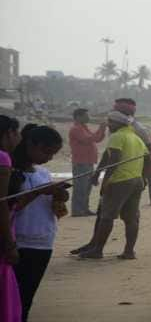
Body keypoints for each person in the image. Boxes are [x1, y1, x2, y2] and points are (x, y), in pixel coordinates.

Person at [12, 125, 70, 322]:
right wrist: (38, 191)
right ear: (30, 144)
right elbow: (12, 207)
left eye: (53, 154)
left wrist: (60, 194)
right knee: (15, 297)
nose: (49, 157)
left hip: (43, 241)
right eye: (46, 152)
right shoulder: (12, 173)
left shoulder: (43, 172)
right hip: (19, 241)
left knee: (27, 295)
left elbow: (55, 208)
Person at [79, 111, 148, 259]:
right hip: (136, 180)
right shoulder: (136, 138)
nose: (108, 125)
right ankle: (129, 251)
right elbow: (148, 160)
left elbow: (114, 159)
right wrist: (144, 177)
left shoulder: (116, 136)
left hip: (120, 181)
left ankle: (97, 250)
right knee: (131, 218)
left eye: (110, 122)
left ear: (117, 123)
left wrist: (105, 180)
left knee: (107, 216)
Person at [0, 115, 22, 322]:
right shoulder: (3, 158)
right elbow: (2, 204)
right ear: (9, 133)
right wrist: (9, 243)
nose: (19, 138)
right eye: (17, 133)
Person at [68, 108, 106, 217]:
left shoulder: (83, 128)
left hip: (87, 161)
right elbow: (89, 139)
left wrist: (101, 130)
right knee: (81, 187)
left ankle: (84, 208)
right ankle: (78, 210)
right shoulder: (76, 129)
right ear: (79, 117)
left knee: (86, 187)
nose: (88, 118)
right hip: (81, 161)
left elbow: (96, 139)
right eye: (86, 115)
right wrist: (101, 129)